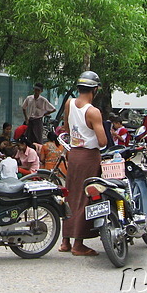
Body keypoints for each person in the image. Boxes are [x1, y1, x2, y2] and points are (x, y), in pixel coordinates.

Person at [59, 71, 107, 256]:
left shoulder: (69, 103)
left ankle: (65, 241)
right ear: (95, 89)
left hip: (74, 154)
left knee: (70, 195)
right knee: (86, 197)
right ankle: (78, 244)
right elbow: (102, 142)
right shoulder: (93, 112)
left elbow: (66, 127)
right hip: (88, 157)